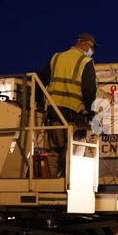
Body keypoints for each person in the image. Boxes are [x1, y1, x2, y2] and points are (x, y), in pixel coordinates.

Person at [39, 33, 99, 177]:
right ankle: (69, 182)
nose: (92, 52)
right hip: (74, 117)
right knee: (74, 152)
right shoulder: (85, 62)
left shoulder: (57, 58)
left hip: (54, 114)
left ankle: (53, 183)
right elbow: (89, 90)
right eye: (92, 48)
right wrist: (91, 114)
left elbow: (40, 80)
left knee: (54, 151)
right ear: (84, 44)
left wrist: (40, 104)